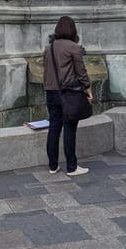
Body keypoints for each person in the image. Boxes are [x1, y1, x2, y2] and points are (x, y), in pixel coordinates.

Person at [42, 15, 92, 176]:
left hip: (51, 92)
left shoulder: (48, 48)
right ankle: (71, 167)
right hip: (68, 93)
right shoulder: (74, 47)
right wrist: (87, 88)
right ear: (73, 30)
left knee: (54, 128)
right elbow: (81, 71)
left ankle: (53, 165)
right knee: (70, 129)